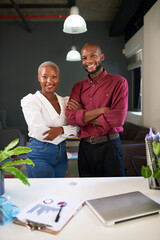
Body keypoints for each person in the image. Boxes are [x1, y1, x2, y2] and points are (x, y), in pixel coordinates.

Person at [66, 43, 128, 177]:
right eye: (84, 58)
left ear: (102, 57)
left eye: (93, 56)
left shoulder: (119, 82)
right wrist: (103, 110)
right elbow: (70, 117)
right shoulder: (77, 87)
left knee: (114, 191)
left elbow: (117, 119)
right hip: (85, 148)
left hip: (110, 146)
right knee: (87, 191)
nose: (88, 61)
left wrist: (82, 114)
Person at [21, 61, 79, 178]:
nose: (49, 81)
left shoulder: (65, 101)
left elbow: (77, 128)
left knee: (58, 192)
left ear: (58, 78)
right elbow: (40, 132)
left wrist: (60, 130)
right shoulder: (31, 101)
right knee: (42, 194)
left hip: (62, 154)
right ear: (39, 78)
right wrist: (67, 130)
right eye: (44, 77)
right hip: (40, 154)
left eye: (54, 77)